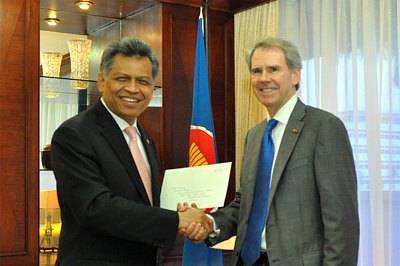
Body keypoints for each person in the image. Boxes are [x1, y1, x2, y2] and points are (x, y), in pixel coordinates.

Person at [181, 36, 360, 265]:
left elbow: (342, 222)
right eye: (256, 71)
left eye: (273, 69)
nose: (264, 78)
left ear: (295, 75)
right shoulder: (254, 136)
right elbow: (246, 205)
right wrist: (209, 222)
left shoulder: (324, 128)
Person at [51, 37, 210, 266]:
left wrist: (182, 214)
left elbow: (141, 206)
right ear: (102, 82)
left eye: (143, 81)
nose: (133, 89)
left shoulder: (145, 139)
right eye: (122, 78)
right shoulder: (74, 134)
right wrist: (175, 220)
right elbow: (95, 209)